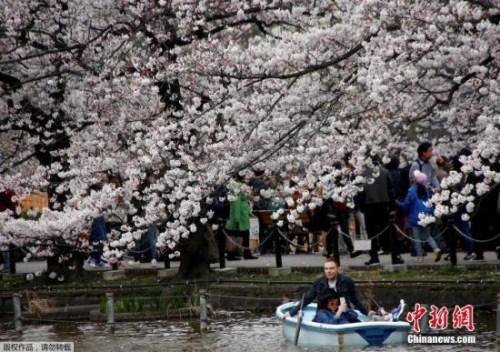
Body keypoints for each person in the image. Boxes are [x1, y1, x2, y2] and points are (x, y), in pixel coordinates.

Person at [286, 258, 368, 318]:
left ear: (337, 269)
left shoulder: (347, 282)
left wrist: (366, 312)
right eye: (326, 269)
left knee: (353, 316)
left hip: (343, 311)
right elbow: (307, 299)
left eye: (331, 268)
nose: (328, 271)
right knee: (325, 318)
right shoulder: (318, 283)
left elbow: (355, 300)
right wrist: (292, 313)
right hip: (324, 312)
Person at [398, 170, 442, 263]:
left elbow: (407, 204)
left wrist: (398, 204)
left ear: (415, 180)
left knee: (416, 238)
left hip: (414, 217)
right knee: (427, 236)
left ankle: (420, 256)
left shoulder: (411, 191)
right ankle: (436, 248)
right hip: (426, 216)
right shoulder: (426, 191)